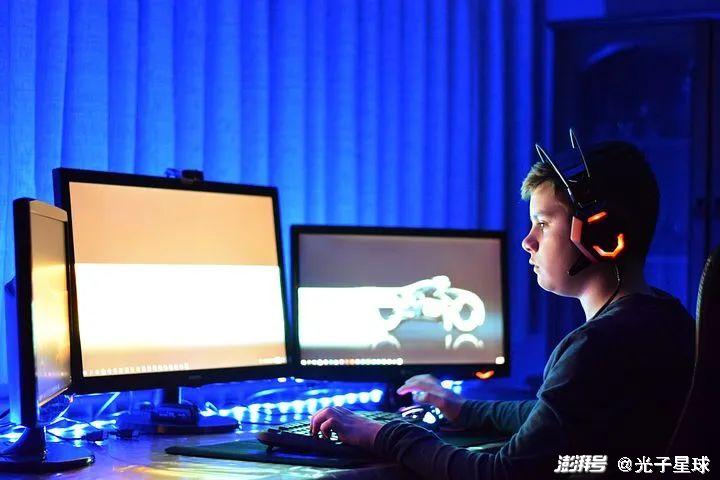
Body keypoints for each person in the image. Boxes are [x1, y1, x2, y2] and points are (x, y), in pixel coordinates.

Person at [310, 140, 695, 479]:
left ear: (599, 233)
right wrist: (462, 409)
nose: (528, 241)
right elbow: (551, 417)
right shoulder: (667, 317)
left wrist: (382, 433)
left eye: (543, 223)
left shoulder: (595, 346)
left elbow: (501, 474)